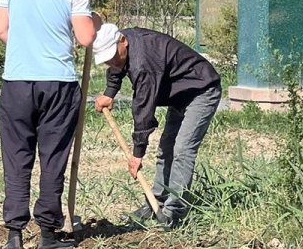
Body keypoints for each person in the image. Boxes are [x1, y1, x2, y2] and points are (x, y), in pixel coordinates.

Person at [0, 0, 96, 249]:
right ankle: (48, 235)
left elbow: (0, 29)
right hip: (58, 83)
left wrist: (28, 44)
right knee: (53, 157)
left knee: (16, 158)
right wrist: (94, 20)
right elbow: (85, 37)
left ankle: (13, 235)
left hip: (17, 82)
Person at [92, 25, 222, 227]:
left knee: (182, 150)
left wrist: (137, 153)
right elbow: (117, 67)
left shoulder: (144, 62)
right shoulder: (126, 42)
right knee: (166, 149)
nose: (112, 61)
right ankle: (156, 204)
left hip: (201, 91)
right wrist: (110, 93)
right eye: (106, 59)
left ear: (122, 41)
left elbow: (143, 108)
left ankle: (174, 212)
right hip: (179, 95)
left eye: (112, 55)